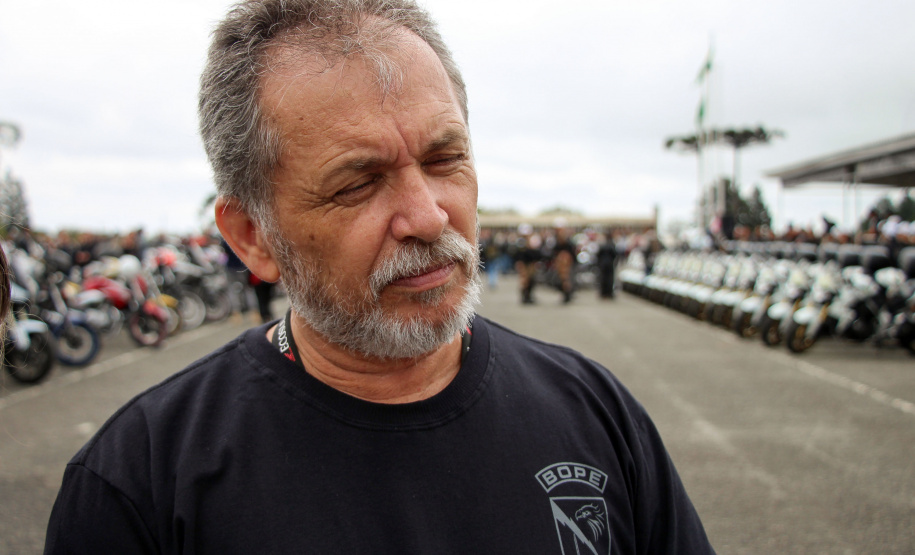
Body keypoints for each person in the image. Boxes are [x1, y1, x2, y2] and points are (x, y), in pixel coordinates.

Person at [44, 1, 716, 553]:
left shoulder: (596, 414)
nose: (428, 216)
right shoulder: (142, 480)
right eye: (357, 184)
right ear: (253, 236)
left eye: (444, 158)